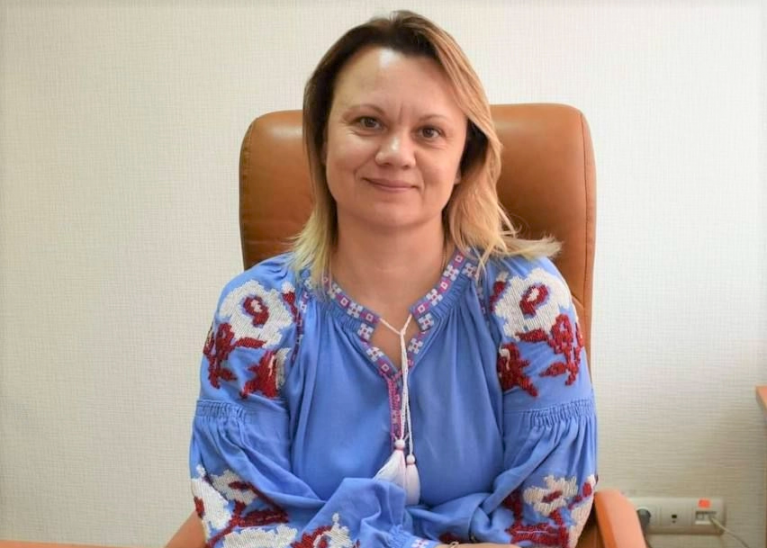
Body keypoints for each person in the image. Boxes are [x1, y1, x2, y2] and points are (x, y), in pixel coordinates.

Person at [172, 10, 597, 548]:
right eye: (368, 122)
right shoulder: (254, 314)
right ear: (322, 140)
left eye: (429, 132)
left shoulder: (527, 303)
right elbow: (246, 522)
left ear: (463, 159)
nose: (396, 154)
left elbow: (544, 521)